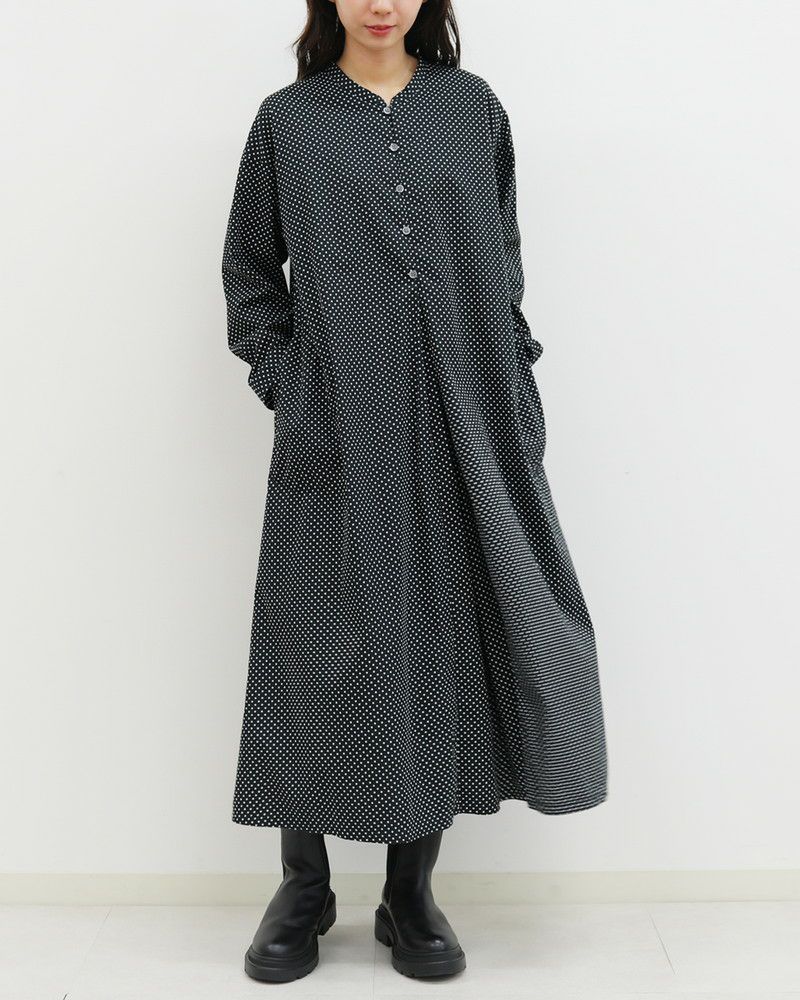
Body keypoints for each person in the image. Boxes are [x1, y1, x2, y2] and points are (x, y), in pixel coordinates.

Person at [221, 0, 609, 984]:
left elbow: (501, 259)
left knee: (434, 641)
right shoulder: (288, 122)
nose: (380, 3)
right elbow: (249, 273)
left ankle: (409, 891)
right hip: (337, 424)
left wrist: (509, 378)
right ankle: (303, 887)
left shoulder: (471, 109)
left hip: (460, 421)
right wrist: (290, 380)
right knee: (314, 644)